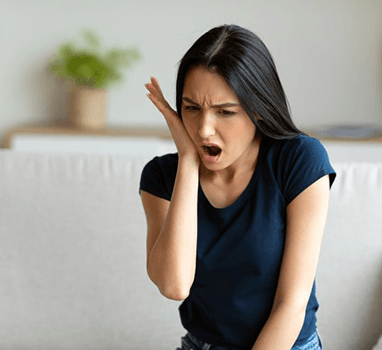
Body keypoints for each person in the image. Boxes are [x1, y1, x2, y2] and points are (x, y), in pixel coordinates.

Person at [140, 24, 336, 350]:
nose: (204, 130)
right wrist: (188, 162)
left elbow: (292, 303)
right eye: (191, 108)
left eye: (225, 112)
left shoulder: (300, 160)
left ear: (258, 109)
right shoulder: (161, 177)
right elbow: (174, 285)